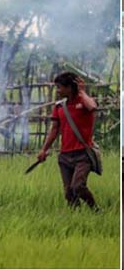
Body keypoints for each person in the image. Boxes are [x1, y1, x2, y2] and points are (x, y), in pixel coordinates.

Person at [37, 72, 99, 210]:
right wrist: (44, 149)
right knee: (68, 193)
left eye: (59, 87)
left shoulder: (84, 102)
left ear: (70, 88)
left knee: (78, 186)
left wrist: (82, 91)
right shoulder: (59, 107)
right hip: (65, 156)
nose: (58, 91)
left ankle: (96, 210)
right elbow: (54, 130)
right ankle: (76, 217)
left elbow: (93, 107)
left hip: (83, 154)